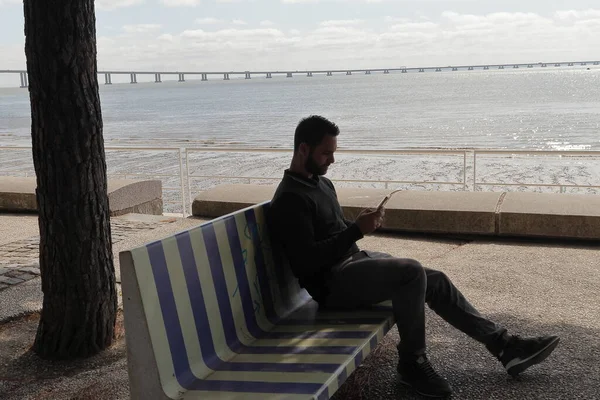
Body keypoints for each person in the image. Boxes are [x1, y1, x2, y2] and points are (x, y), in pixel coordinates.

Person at [268, 115, 560, 398]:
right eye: (325, 154)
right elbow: (306, 261)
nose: (331, 160)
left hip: (353, 265)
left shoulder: (320, 183)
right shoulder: (290, 198)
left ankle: (505, 346)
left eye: (333, 153)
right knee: (410, 271)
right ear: (303, 149)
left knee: (434, 279)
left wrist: (357, 224)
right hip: (332, 285)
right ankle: (412, 362)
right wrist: (356, 230)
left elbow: (332, 230)